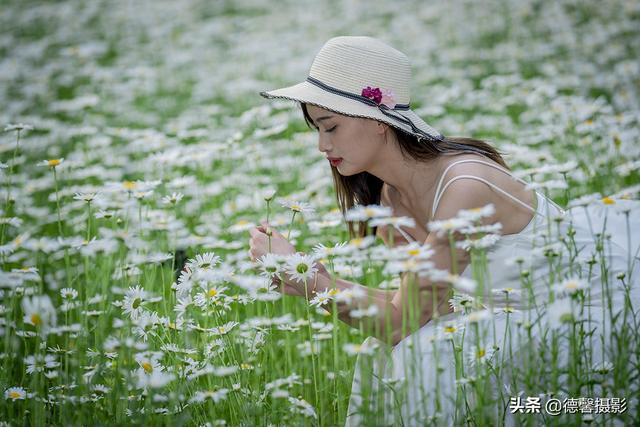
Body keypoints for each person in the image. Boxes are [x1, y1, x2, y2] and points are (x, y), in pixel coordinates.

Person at [249, 36, 640, 426]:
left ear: (377, 121)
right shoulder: (392, 202)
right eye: (317, 129)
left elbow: (400, 323)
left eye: (330, 127)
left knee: (424, 356)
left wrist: (313, 284)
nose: (321, 145)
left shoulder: (463, 187)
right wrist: (316, 278)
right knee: (394, 351)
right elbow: (422, 314)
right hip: (513, 323)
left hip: (586, 321)